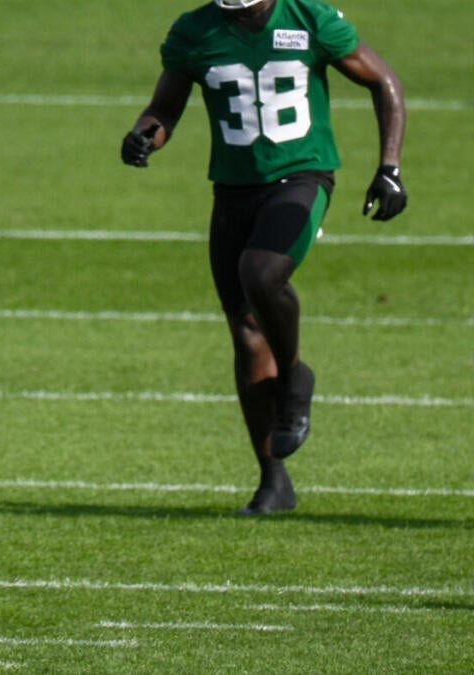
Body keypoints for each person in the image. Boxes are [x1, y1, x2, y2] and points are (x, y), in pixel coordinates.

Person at [121, 0, 406, 515]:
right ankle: (273, 479)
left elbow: (383, 80)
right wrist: (144, 136)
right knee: (246, 332)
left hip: (302, 175)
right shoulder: (195, 30)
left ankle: (295, 375)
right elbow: (165, 107)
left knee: (261, 271)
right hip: (233, 188)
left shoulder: (308, 17)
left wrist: (390, 166)